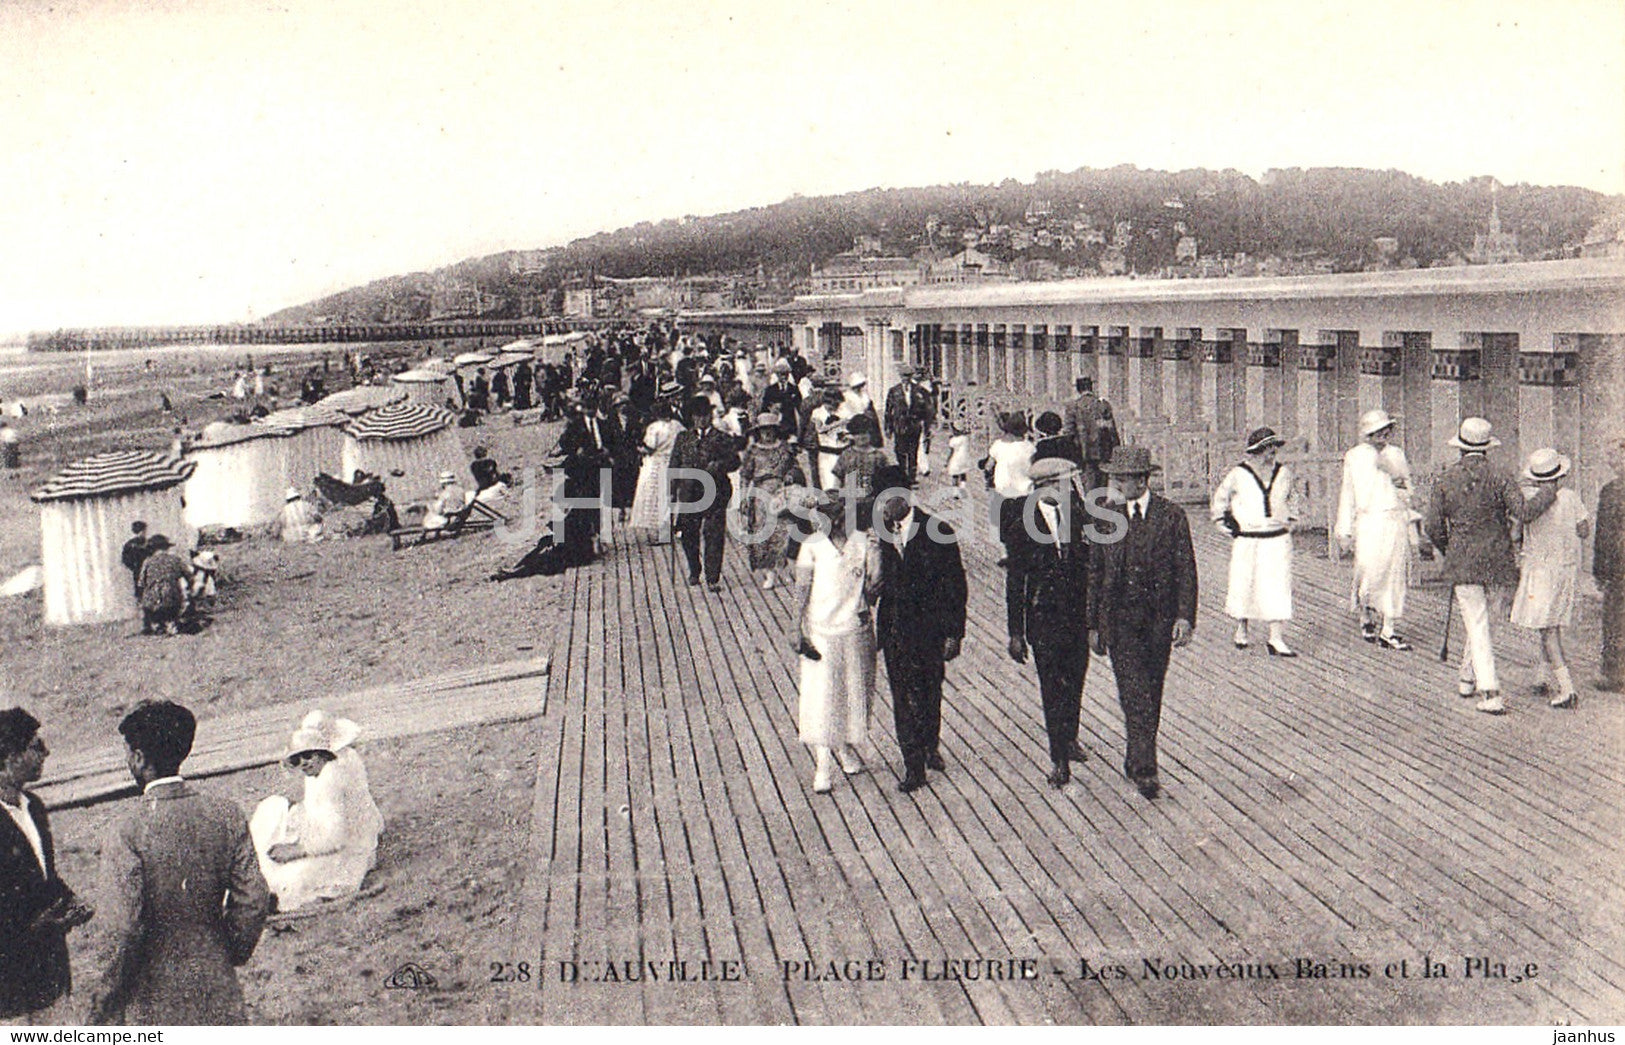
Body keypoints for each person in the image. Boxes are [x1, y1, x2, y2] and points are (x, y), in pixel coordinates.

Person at [89, 701, 268, 1025]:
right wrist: (227, 950)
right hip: (217, 983)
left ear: (140, 758)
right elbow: (253, 899)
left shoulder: (126, 829)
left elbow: (123, 929)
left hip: (152, 994)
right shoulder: (226, 814)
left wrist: (106, 1000)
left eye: (129, 754)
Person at [1088, 446, 1198, 800]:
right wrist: (1093, 624)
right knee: (1133, 692)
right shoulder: (1105, 517)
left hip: (1158, 620)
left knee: (1152, 690)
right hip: (1120, 619)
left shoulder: (1171, 516)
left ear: (1141, 480)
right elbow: (1095, 572)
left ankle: (1136, 755)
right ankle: (1146, 767)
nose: (1116, 484)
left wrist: (1184, 616)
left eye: (1122, 479)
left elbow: (1186, 569)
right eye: (1114, 478)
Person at [1425, 418, 1556, 714]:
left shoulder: (1445, 479)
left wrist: (1450, 549)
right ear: (1487, 448)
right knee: (1486, 623)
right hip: (1498, 560)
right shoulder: (1501, 475)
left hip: (1464, 562)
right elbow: (1524, 512)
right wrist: (1550, 490)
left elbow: (1432, 526)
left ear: (1460, 449)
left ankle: (1479, 684)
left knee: (1477, 622)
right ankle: (1480, 685)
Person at [874, 464, 967, 793]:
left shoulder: (937, 530)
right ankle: (913, 765)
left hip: (930, 629)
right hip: (896, 629)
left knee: (929, 691)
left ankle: (930, 744)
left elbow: (956, 585)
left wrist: (955, 633)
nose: (882, 506)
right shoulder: (881, 533)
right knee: (902, 697)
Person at [1005, 457, 1093, 787]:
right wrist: (1016, 632)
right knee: (1052, 687)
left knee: (1076, 678)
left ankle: (1070, 738)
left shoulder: (1077, 514)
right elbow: (1015, 582)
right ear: (1046, 486)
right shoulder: (1020, 525)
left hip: (1076, 616)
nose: (1070, 489)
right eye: (1064, 484)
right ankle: (1058, 757)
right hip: (1043, 618)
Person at [0, 709, 93, 1022]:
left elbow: (42, 876)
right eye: (35, 746)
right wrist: (31, 928)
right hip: (7, 988)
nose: (46, 752)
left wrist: (69, 900)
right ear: (9, 757)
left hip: (48, 975)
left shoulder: (34, 808)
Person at [249, 711, 383, 912]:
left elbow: (335, 837)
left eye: (308, 756)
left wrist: (296, 850)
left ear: (322, 754)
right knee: (273, 808)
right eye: (297, 759)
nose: (304, 763)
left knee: (289, 878)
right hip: (336, 837)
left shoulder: (333, 775)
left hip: (345, 849)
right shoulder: (329, 767)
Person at [793, 491, 881, 794]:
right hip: (820, 631)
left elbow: (872, 589)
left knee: (854, 693)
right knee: (822, 696)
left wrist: (877, 554)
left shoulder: (863, 541)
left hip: (855, 629)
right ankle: (823, 765)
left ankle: (844, 749)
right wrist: (796, 630)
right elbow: (801, 589)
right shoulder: (812, 546)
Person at [1510, 449, 1591, 709]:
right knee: (1549, 624)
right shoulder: (1570, 497)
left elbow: (1514, 535)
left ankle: (1567, 688)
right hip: (1565, 568)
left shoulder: (1530, 500)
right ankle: (1542, 675)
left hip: (1541, 569)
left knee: (1548, 629)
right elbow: (1583, 530)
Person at [1210, 427, 1298, 656]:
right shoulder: (1238, 474)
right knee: (1245, 583)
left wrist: (1291, 521)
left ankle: (1276, 637)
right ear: (1256, 451)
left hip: (1277, 538)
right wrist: (1224, 524)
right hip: (1248, 538)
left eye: (1274, 449)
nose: (1272, 454)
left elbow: (1294, 498)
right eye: (1267, 449)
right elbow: (1220, 500)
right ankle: (1242, 628)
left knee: (1278, 585)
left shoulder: (1284, 473)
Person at [1334, 409, 1415, 650]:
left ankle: (1389, 629)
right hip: (1368, 521)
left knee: (1394, 573)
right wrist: (1344, 529)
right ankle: (1365, 611)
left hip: (1393, 519)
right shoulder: (1355, 456)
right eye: (1376, 431)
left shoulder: (1397, 454)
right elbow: (1348, 493)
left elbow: (1408, 491)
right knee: (1368, 571)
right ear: (1367, 434)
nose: (1382, 435)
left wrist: (1398, 481)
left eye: (1386, 430)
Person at [669, 394, 741, 591]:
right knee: (687, 534)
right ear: (692, 418)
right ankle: (694, 569)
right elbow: (674, 465)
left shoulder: (723, 438)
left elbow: (735, 462)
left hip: (716, 492)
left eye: (705, 415)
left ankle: (712, 577)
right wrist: (671, 493)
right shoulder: (683, 438)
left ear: (711, 416)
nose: (702, 419)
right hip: (689, 492)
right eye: (697, 415)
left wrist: (719, 465)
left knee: (714, 534)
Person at [739, 412, 806, 589]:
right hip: (760, 494)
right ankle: (768, 572)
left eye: (770, 430)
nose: (767, 434)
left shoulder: (784, 448)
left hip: (781, 493)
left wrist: (791, 476)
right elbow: (745, 476)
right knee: (762, 533)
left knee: (782, 532)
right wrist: (744, 497)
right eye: (763, 430)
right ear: (758, 432)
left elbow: (795, 468)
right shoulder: (753, 451)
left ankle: (782, 568)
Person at [1594, 438, 1625, 694]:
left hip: (1617, 566)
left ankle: (1614, 674)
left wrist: (1600, 571)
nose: (1611, 462)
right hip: (1618, 567)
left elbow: (1603, 536)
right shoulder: (1609, 490)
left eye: (1615, 457)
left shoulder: (1611, 492)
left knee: (1615, 620)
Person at [630, 400, 683, 544]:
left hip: (656, 464)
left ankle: (656, 533)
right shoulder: (678, 426)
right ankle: (669, 530)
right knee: (669, 497)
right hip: (672, 463)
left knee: (654, 499)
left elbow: (650, 448)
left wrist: (638, 449)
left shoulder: (654, 428)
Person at [982, 411, 1036, 554]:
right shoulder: (1030, 447)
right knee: (1025, 524)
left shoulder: (998, 445)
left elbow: (988, 466)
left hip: (1003, 493)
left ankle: (1007, 552)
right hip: (1025, 492)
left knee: (1005, 525)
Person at [1062, 377, 1119, 492]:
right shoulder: (1103, 404)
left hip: (1084, 454)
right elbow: (1112, 431)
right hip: (1103, 452)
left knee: (1089, 488)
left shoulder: (1073, 406)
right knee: (1102, 487)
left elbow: (1069, 433)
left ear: (1078, 389)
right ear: (1091, 387)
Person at [830, 413, 889, 521]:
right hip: (849, 504)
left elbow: (886, 483)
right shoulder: (846, 455)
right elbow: (837, 480)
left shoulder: (879, 457)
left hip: (872, 504)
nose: (862, 436)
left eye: (865, 432)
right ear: (852, 435)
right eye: (858, 433)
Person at [884, 362, 935, 485]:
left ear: (911, 376)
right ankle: (902, 474)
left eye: (907, 376)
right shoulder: (894, 391)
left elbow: (927, 410)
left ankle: (911, 477)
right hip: (899, 425)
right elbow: (888, 411)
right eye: (903, 376)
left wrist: (927, 428)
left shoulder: (920, 391)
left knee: (913, 451)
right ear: (900, 376)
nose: (905, 378)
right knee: (900, 451)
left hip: (914, 425)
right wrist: (888, 428)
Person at [136, 535, 190, 635]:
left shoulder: (147, 562)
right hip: (171, 599)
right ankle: (171, 623)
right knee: (174, 594)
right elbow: (189, 576)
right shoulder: (175, 560)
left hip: (151, 602)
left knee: (150, 600)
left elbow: (141, 583)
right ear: (166, 547)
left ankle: (157, 624)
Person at [758, 359, 802, 441]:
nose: (784, 377)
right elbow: (764, 408)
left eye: (786, 374)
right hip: (775, 423)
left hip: (790, 423)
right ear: (777, 375)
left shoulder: (794, 389)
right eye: (781, 374)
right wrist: (772, 408)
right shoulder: (770, 389)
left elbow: (800, 406)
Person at [838, 372, 883, 449]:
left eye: (861, 385)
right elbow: (843, 413)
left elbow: (872, 414)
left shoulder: (865, 397)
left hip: (865, 425)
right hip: (851, 424)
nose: (859, 388)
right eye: (857, 386)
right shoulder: (846, 397)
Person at [120, 521, 152, 597]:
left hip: (138, 570)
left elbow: (125, 559)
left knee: (140, 590)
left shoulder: (128, 544)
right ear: (143, 530)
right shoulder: (148, 543)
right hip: (146, 570)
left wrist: (134, 567)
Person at [944, 421, 972, 495]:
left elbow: (951, 452)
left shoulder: (953, 441)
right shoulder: (965, 439)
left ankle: (955, 492)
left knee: (955, 475)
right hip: (965, 458)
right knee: (963, 473)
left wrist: (947, 462)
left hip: (956, 459)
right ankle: (963, 488)